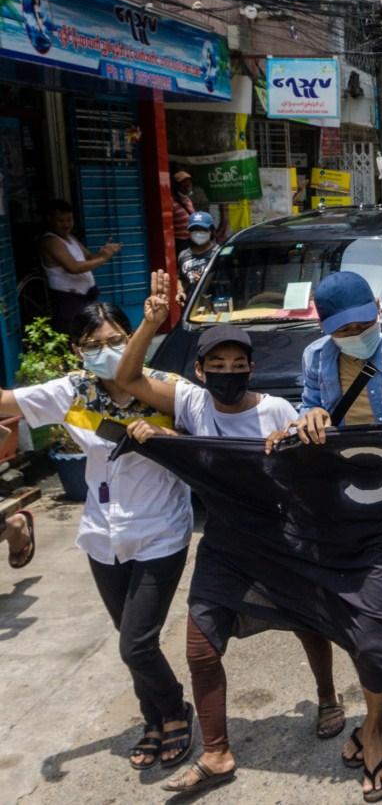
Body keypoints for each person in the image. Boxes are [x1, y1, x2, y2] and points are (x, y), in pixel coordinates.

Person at [113, 274, 344, 794]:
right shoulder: (192, 405)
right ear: (199, 372)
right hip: (224, 544)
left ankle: (328, 697)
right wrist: (151, 325)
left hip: (283, 540)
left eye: (238, 367)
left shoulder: (276, 412)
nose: (228, 375)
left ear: (252, 369)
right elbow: (127, 380)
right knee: (199, 646)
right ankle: (216, 751)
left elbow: (314, 471)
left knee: (309, 626)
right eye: (216, 367)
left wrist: (298, 439)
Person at [265, 270, 382, 800]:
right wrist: (308, 417)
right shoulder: (316, 358)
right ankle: (378, 721)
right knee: (354, 615)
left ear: (379, 310)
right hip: (339, 508)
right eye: (343, 329)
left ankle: (371, 730)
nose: (355, 334)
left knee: (375, 621)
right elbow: (307, 409)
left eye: (364, 324)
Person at [0, 302, 194, 771]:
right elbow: (6, 403)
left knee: (136, 643)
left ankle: (175, 710)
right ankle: (152, 720)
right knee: (126, 635)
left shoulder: (168, 389)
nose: (105, 352)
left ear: (134, 339)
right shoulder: (72, 390)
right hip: (102, 536)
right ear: (76, 351)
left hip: (160, 531)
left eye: (114, 341)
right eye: (92, 345)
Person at [40, 199, 121, 336]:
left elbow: (90, 258)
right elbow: (73, 267)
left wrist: (104, 252)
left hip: (85, 298)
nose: (66, 225)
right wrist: (103, 258)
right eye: (61, 220)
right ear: (50, 220)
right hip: (68, 300)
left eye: (69, 220)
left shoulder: (71, 238)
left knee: (90, 335)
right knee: (76, 338)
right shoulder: (51, 240)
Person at [177, 211, 219, 301]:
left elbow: (229, 280)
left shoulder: (218, 253)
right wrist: (180, 292)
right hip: (192, 307)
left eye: (202, 229)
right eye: (194, 230)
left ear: (211, 231)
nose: (198, 233)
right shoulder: (183, 256)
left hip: (216, 303)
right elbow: (181, 279)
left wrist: (206, 280)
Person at [171, 170, 196, 237]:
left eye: (189, 184)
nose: (187, 188)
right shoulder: (171, 202)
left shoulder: (188, 200)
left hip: (191, 239)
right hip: (180, 241)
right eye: (184, 184)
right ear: (177, 186)